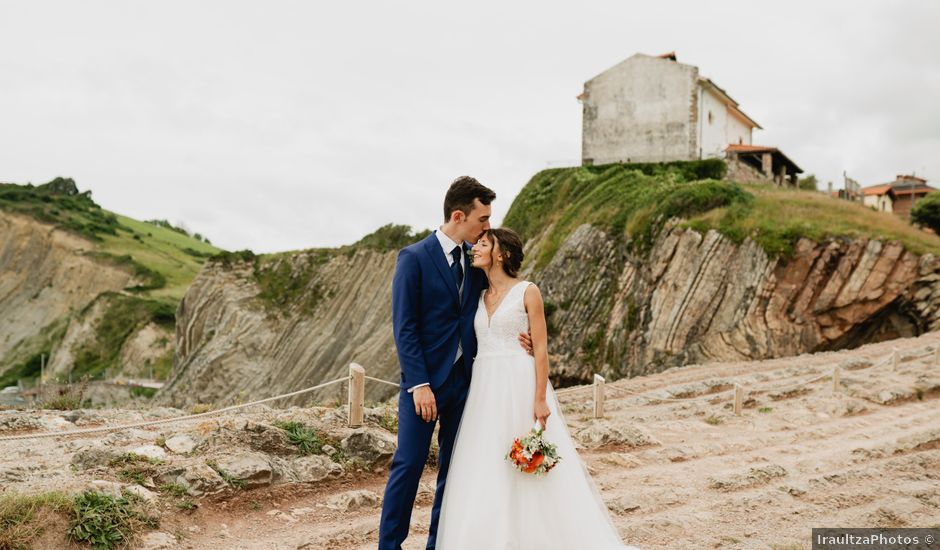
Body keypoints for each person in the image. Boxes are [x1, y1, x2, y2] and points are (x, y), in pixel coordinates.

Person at [434, 227, 642, 550]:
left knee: (525, 466)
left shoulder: (528, 292)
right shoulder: (477, 295)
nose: (475, 248)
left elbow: (541, 349)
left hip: (518, 382)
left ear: (501, 253)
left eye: (483, 243)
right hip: (484, 389)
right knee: (485, 464)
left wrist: (540, 398)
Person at [378, 177, 533, 550]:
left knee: (454, 471)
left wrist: (523, 337)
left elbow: (500, 300)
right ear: (459, 215)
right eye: (483, 219)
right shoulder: (413, 258)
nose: (487, 228)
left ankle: (439, 543)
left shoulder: (475, 260)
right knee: (409, 465)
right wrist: (419, 384)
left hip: (467, 384)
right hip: (423, 387)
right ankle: (390, 546)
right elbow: (406, 327)